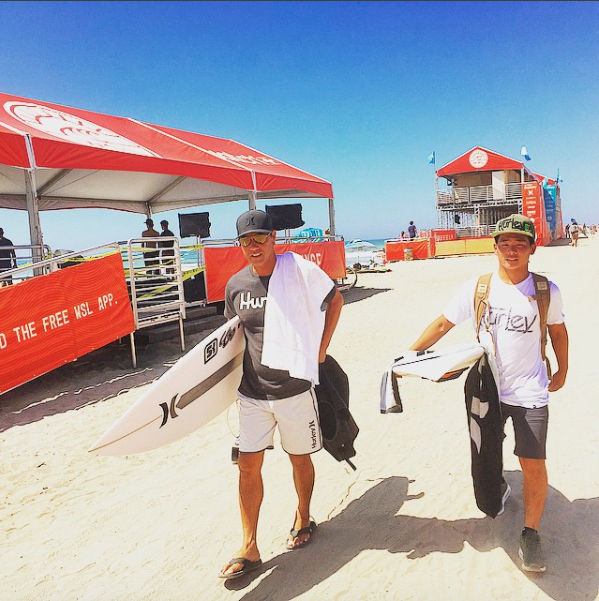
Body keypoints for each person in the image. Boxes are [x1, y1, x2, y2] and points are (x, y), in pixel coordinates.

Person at [408, 214, 568, 573]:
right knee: (486, 453)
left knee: (533, 461)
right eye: (505, 244)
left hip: (530, 390)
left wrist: (563, 368)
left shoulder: (546, 291)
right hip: (486, 387)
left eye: (519, 244)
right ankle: (497, 486)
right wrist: (409, 355)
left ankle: (530, 532)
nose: (512, 250)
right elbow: (443, 323)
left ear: (532, 248)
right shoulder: (478, 288)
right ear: (494, 248)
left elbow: (558, 331)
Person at [219, 209, 344, 580]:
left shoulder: (300, 273)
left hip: (293, 391)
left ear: (273, 238)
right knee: (247, 466)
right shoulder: (236, 286)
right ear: (240, 244)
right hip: (252, 393)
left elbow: (335, 300)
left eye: (259, 238)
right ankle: (249, 546)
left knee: (299, 459)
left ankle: (303, 516)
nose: (253, 246)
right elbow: (231, 338)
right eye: (246, 241)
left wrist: (321, 350)